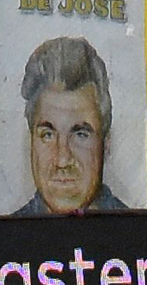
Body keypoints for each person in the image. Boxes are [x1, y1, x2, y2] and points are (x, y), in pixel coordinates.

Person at [10, 35, 114, 215]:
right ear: (31, 142)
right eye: (48, 135)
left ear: (106, 144)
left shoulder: (137, 237)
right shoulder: (5, 238)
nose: (62, 160)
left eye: (81, 134)